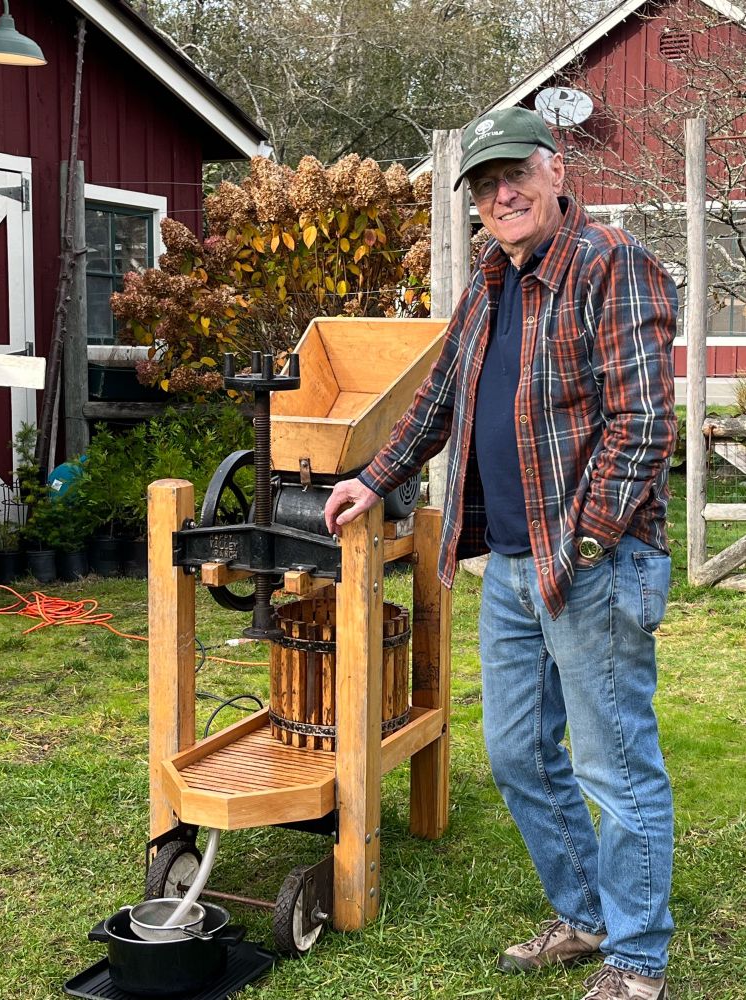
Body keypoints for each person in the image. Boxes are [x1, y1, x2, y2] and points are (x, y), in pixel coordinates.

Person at [324, 106, 677, 1000]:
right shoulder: (488, 281)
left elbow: (642, 425)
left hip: (593, 561)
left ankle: (637, 960)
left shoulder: (611, 265)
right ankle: (589, 914)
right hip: (510, 565)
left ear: (556, 169)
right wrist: (374, 478)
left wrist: (590, 540)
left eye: (513, 173)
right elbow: (439, 396)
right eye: (484, 185)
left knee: (615, 764)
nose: (501, 193)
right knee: (519, 752)